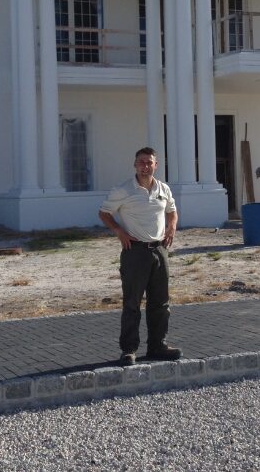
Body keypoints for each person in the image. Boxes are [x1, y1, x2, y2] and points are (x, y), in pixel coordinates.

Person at [99, 147, 181, 366]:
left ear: (156, 165)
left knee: (161, 303)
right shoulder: (123, 190)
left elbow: (172, 211)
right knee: (132, 303)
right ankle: (129, 350)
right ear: (135, 165)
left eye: (149, 162)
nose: (145, 166)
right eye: (141, 162)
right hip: (135, 251)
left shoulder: (163, 188)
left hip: (159, 250)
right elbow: (104, 213)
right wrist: (119, 231)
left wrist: (172, 228)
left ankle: (158, 345)